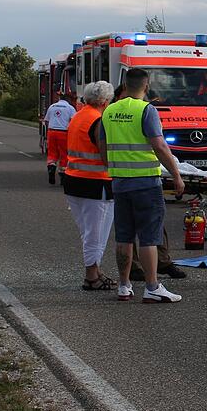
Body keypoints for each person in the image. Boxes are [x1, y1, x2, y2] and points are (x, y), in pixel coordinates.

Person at [97, 68, 185, 303]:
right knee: (149, 237)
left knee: (124, 236)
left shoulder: (109, 111)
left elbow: (102, 145)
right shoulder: (147, 110)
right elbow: (160, 146)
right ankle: (152, 286)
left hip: (119, 182)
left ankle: (124, 285)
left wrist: (113, 166)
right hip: (146, 183)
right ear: (146, 87)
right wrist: (176, 175)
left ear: (124, 86)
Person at [63, 81, 117, 291]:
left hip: (74, 180)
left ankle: (95, 271)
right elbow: (105, 155)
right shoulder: (98, 121)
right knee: (96, 233)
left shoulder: (78, 116)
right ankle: (92, 275)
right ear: (104, 101)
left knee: (88, 232)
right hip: (96, 184)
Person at [46, 90, 76, 184]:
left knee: (52, 152)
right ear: (68, 99)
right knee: (64, 154)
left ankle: (51, 166)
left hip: (51, 132)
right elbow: (74, 122)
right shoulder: (70, 108)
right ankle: (63, 175)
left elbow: (47, 120)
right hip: (63, 133)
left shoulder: (52, 106)